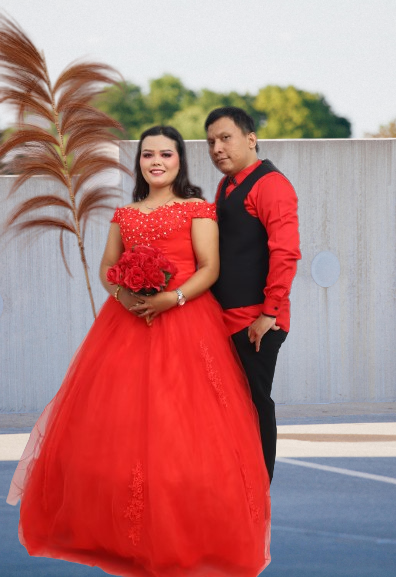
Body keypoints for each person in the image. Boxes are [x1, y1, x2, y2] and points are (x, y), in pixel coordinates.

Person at [7, 126, 271, 577]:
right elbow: (108, 268)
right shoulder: (124, 214)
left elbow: (209, 268)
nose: (156, 162)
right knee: (121, 430)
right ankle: (123, 536)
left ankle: (186, 535)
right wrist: (124, 295)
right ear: (139, 162)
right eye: (148, 154)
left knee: (182, 431)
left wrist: (172, 298)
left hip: (186, 323)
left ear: (179, 160)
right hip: (127, 324)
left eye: (166, 154)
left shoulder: (196, 208)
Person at [205, 107, 301, 483]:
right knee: (227, 408)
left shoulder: (271, 184)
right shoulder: (226, 187)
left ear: (250, 139)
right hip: (224, 318)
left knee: (255, 404)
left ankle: (259, 490)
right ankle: (237, 487)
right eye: (211, 142)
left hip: (256, 321)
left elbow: (285, 251)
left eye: (225, 138)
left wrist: (269, 313)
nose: (217, 148)